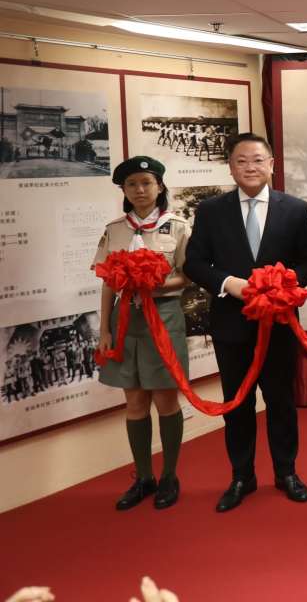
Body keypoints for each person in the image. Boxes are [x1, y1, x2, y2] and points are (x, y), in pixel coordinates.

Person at [184, 133, 307, 512]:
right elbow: (194, 263)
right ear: (230, 167)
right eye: (241, 161)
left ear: (271, 164)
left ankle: (286, 472)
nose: (250, 167)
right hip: (232, 321)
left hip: (280, 321)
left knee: (281, 400)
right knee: (237, 403)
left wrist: (285, 284)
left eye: (258, 160)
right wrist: (229, 283)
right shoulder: (211, 210)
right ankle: (242, 476)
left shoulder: (294, 208)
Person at [93, 156, 191, 510]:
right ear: (124, 190)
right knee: (134, 401)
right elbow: (108, 282)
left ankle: (170, 476)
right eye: (132, 184)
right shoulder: (115, 229)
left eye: (147, 183)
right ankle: (144, 477)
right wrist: (104, 328)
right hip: (125, 321)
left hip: (163, 318)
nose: (140, 190)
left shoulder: (177, 227)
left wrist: (154, 284)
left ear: (159, 186)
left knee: (165, 400)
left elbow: (188, 276)